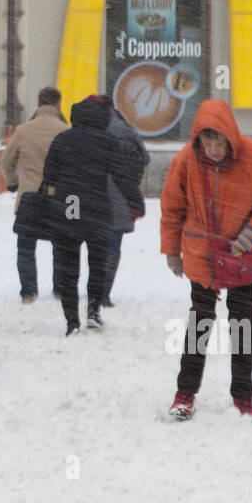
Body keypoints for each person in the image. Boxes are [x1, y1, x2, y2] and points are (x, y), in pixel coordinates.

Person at [160, 99, 252, 421]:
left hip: (243, 255)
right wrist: (172, 250)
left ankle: (243, 397)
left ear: (231, 137)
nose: (214, 149)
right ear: (198, 139)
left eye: (220, 141)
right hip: (201, 255)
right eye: (207, 141)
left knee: (241, 326)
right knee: (199, 324)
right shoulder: (186, 161)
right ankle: (184, 395)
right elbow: (172, 209)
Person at [41, 95, 145, 335]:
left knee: (69, 266)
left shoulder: (63, 139)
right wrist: (135, 202)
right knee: (97, 263)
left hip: (70, 204)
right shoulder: (109, 143)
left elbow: (50, 175)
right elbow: (123, 177)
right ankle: (93, 312)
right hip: (98, 206)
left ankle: (71, 321)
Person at [0, 86, 70, 303]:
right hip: (58, 197)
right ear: (58, 104)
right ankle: (60, 290)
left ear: (38, 104)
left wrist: (13, 183)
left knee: (26, 246)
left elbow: (6, 162)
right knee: (61, 246)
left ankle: (28, 292)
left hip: (30, 197)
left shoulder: (24, 130)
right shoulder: (66, 130)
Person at [101, 101, 150, 307]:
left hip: (94, 191)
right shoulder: (128, 129)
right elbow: (144, 158)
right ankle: (104, 290)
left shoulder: (93, 127)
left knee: (92, 243)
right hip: (122, 192)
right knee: (113, 242)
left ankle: (91, 287)